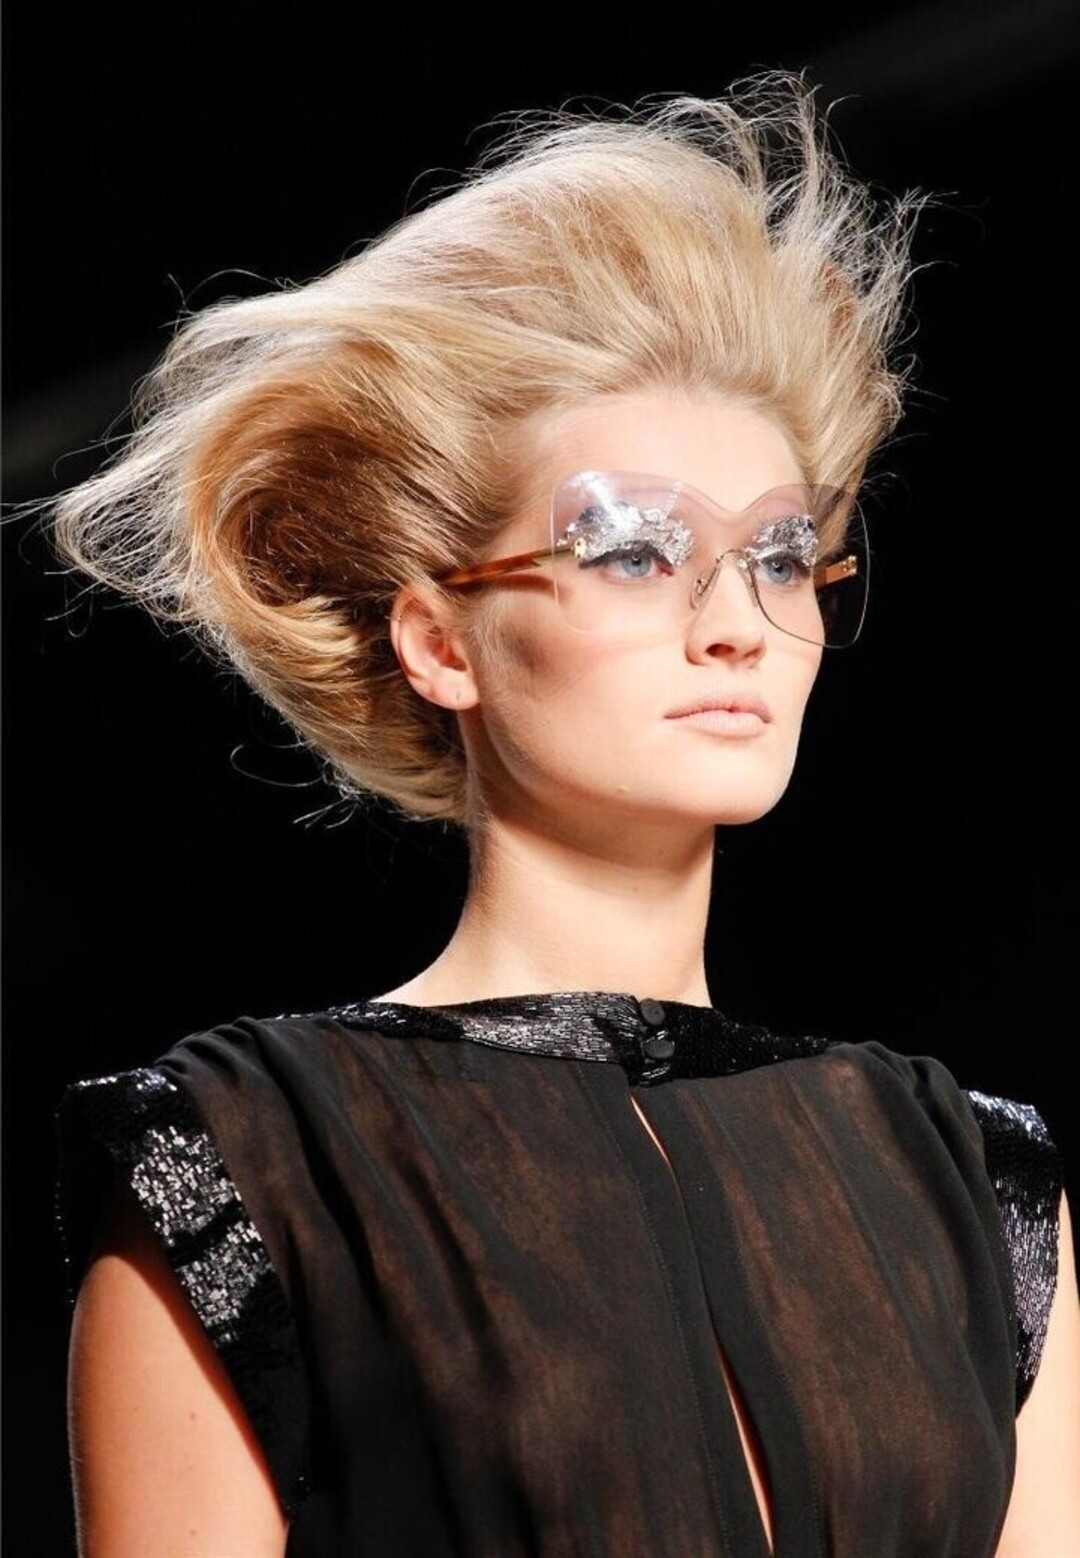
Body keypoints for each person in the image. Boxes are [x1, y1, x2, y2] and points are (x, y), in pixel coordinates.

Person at [49, 73, 1079, 1557]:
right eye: (634, 550)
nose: (736, 624)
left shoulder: (973, 1180)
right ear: (440, 641)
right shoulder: (247, 1159)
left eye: (780, 556)